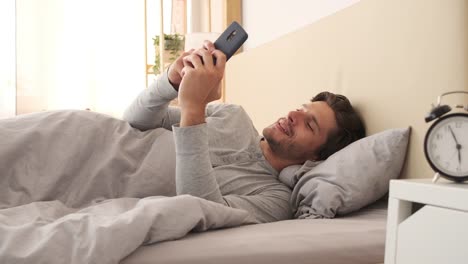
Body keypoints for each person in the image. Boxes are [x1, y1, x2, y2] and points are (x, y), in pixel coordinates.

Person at [122, 40, 366, 223]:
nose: (293, 116)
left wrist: (194, 109)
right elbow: (134, 121)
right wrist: (171, 82)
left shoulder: (276, 200)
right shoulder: (234, 115)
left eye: (309, 124)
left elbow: (199, 208)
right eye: (301, 109)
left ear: (316, 157)